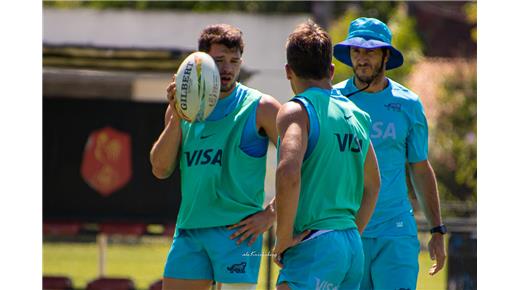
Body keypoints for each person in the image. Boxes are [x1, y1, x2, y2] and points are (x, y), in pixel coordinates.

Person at [150, 23, 281, 290]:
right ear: (201, 62)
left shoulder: (260, 107)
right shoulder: (182, 110)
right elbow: (160, 169)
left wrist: (271, 214)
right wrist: (176, 114)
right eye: (219, 61)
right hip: (190, 231)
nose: (227, 68)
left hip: (238, 234)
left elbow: (305, 159)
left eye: (234, 61)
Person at [332, 17, 447, 290]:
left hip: (396, 232)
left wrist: (437, 230)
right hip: (348, 232)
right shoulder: (333, 101)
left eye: (370, 51)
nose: (361, 59)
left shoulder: (408, 104)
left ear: (386, 55)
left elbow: (420, 167)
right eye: (356, 51)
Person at [273, 20, 381, 290]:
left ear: (288, 71)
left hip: (314, 243)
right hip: (351, 247)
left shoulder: (297, 110)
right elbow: (374, 185)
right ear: (331, 70)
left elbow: (288, 172)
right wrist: (350, 233)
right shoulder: (358, 115)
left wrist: (283, 238)